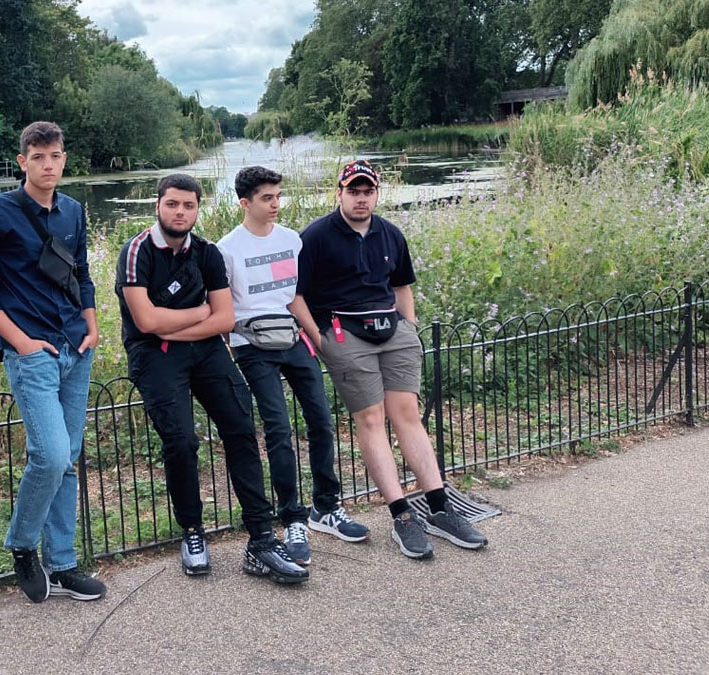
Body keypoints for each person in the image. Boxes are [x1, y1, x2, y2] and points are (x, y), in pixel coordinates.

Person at [115, 173, 308, 584]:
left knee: (240, 428)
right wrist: (193, 316)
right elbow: (145, 321)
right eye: (172, 204)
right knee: (181, 441)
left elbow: (224, 318)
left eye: (188, 205)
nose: (180, 212)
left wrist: (178, 324)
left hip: (204, 350)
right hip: (155, 356)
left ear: (198, 209)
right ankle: (192, 531)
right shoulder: (136, 252)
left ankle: (260, 539)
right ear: (158, 205)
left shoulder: (206, 253)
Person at [295, 159, 488, 559]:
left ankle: (438, 506)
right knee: (370, 419)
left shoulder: (390, 234)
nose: (361, 198)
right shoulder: (314, 237)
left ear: (377, 194)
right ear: (339, 193)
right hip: (344, 331)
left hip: (392, 329)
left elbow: (401, 286)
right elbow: (295, 294)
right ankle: (401, 515)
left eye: (368, 192)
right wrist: (322, 339)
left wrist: (409, 328)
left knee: (408, 414)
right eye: (354, 191)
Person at [0, 121, 106, 603]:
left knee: (67, 460)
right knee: (50, 454)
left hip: (75, 345)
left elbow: (82, 273)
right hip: (33, 352)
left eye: (56, 156)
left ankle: (63, 563)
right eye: (39, 156)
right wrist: (20, 342)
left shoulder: (73, 210)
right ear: (22, 161)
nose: (49, 165)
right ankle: (24, 545)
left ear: (64, 159)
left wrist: (92, 323)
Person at [216, 166, 369, 566]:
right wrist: (233, 349)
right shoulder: (227, 248)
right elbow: (223, 308)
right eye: (267, 198)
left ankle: (326, 506)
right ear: (245, 203)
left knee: (321, 420)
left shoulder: (291, 241)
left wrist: (318, 342)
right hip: (252, 345)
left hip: (292, 338)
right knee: (279, 429)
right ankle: (292, 519)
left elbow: (293, 296)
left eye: (278, 196)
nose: (276, 205)